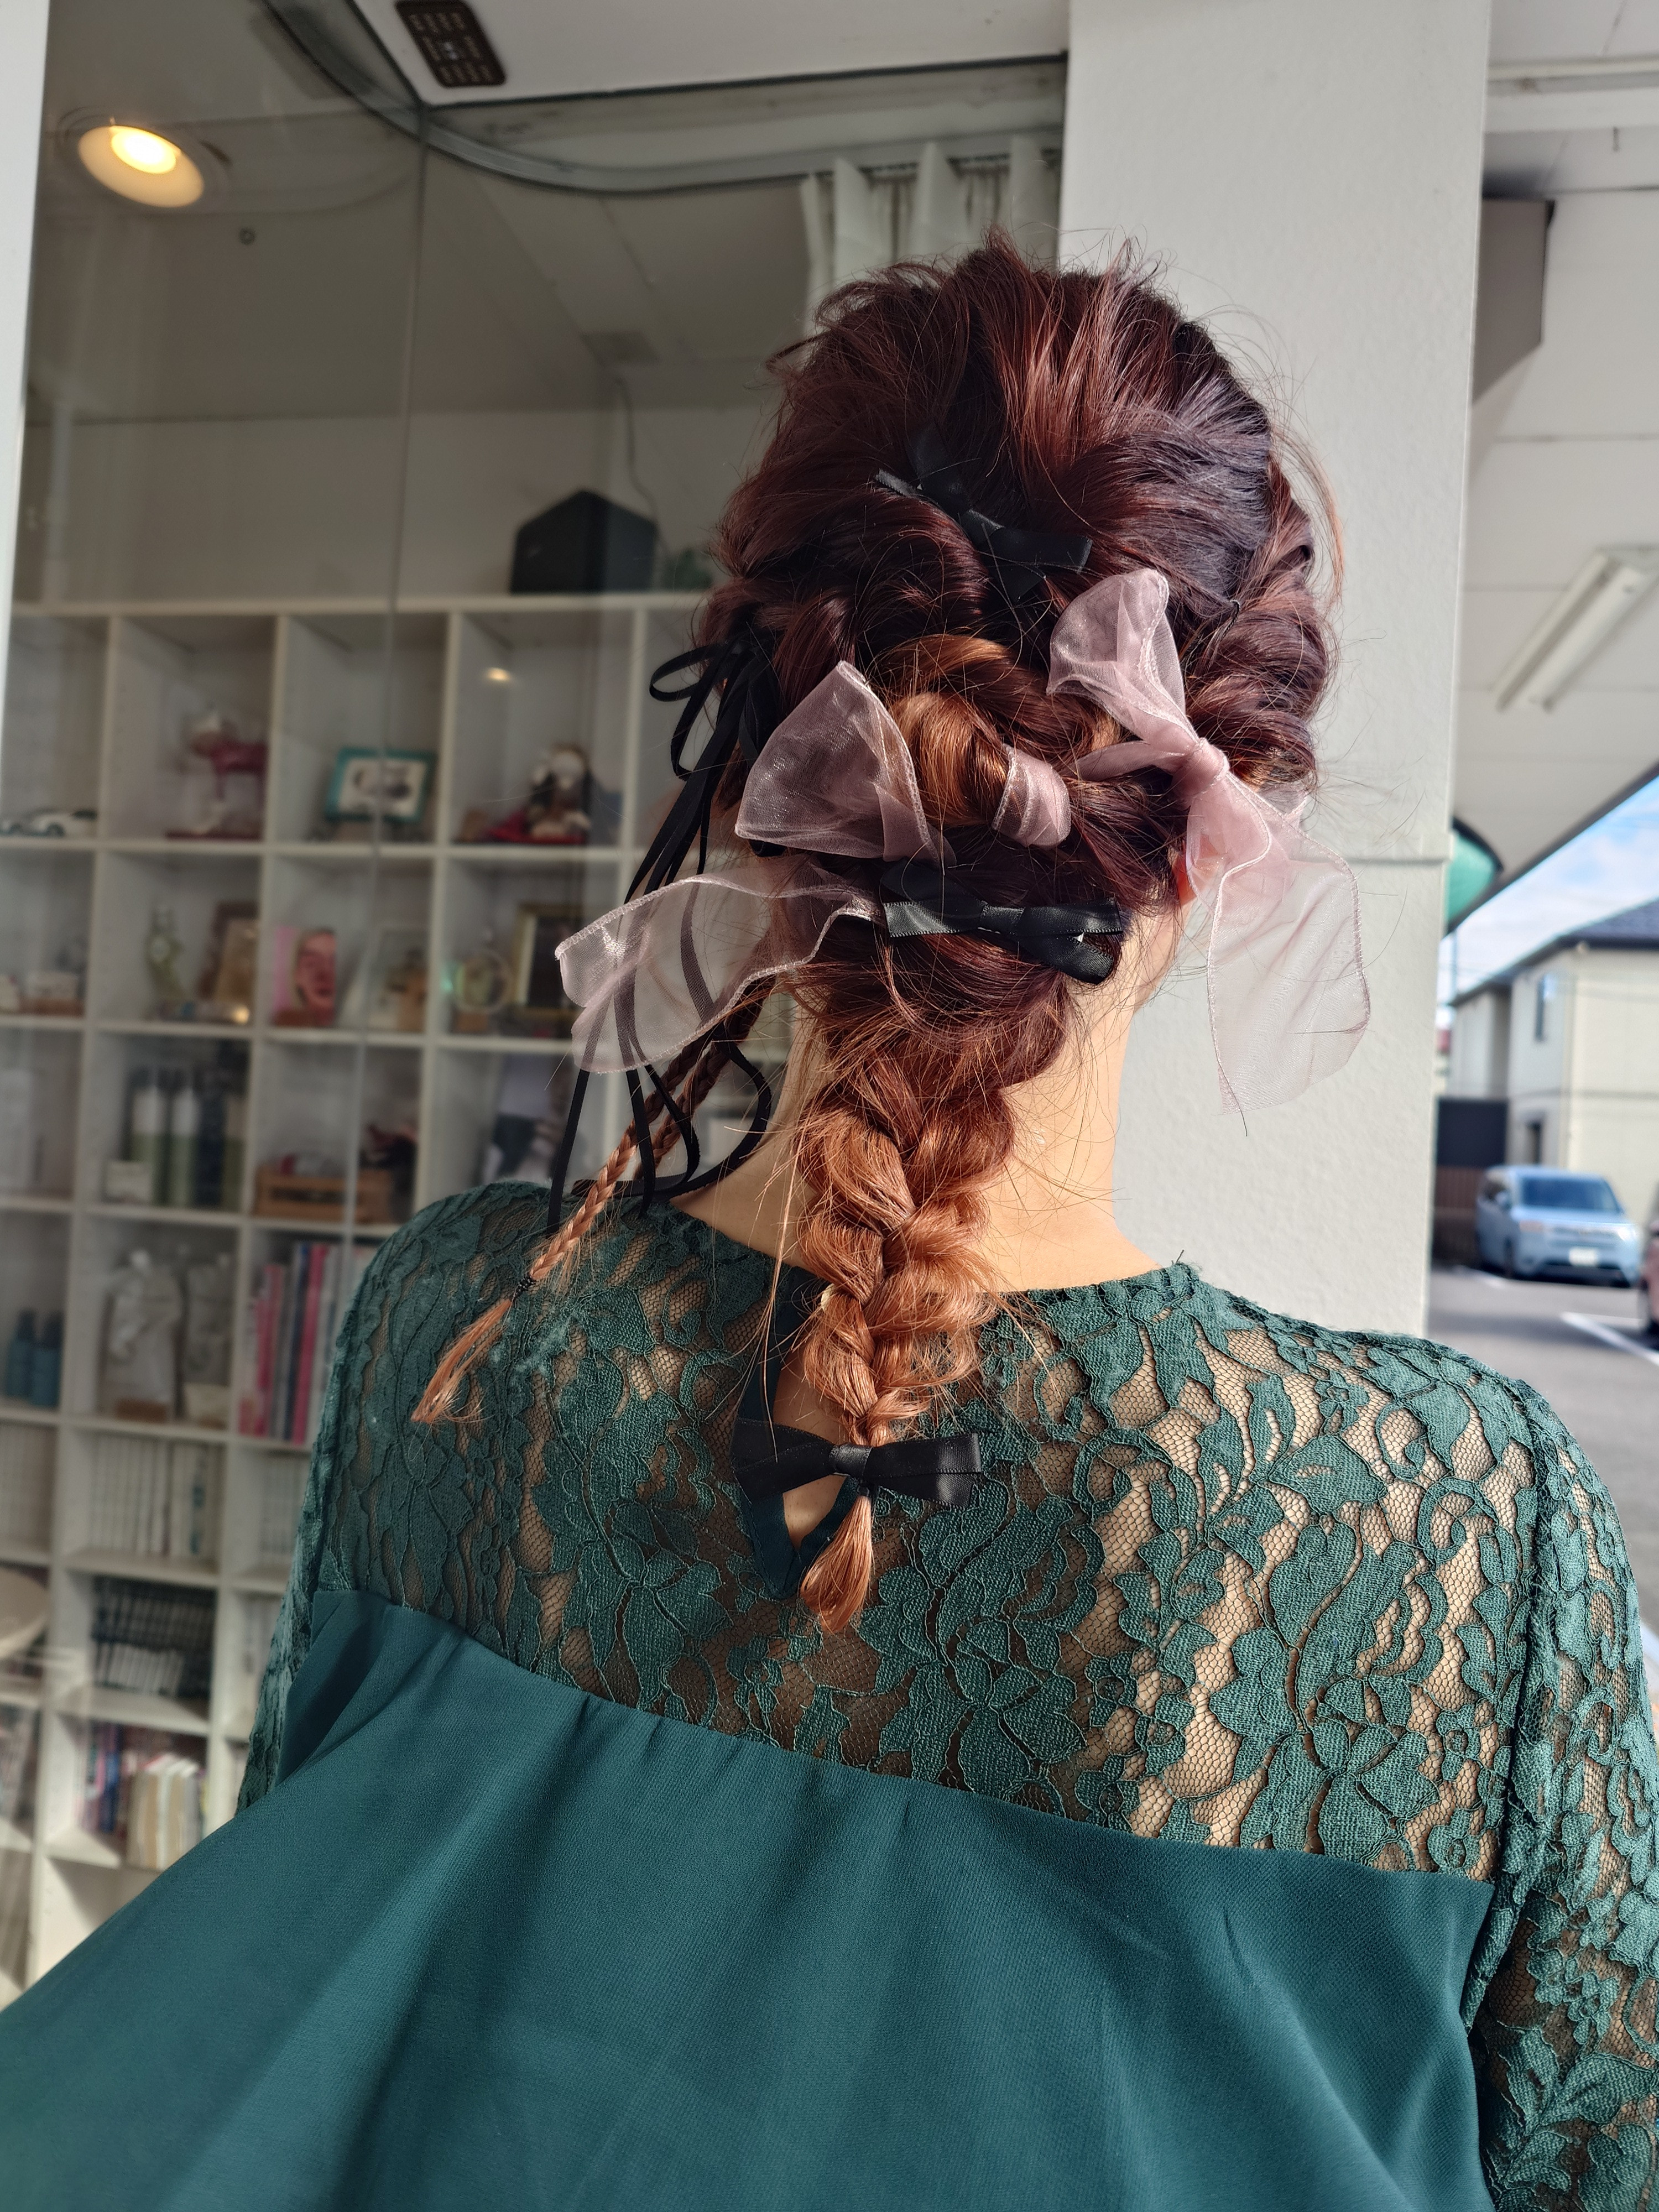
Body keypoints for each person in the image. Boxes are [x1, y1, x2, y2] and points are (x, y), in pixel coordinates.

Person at [2, 238, 1655, 2210]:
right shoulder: (1455, 1534)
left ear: (756, 768)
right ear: (1217, 838)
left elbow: (297, 1996)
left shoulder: (458, 1333)